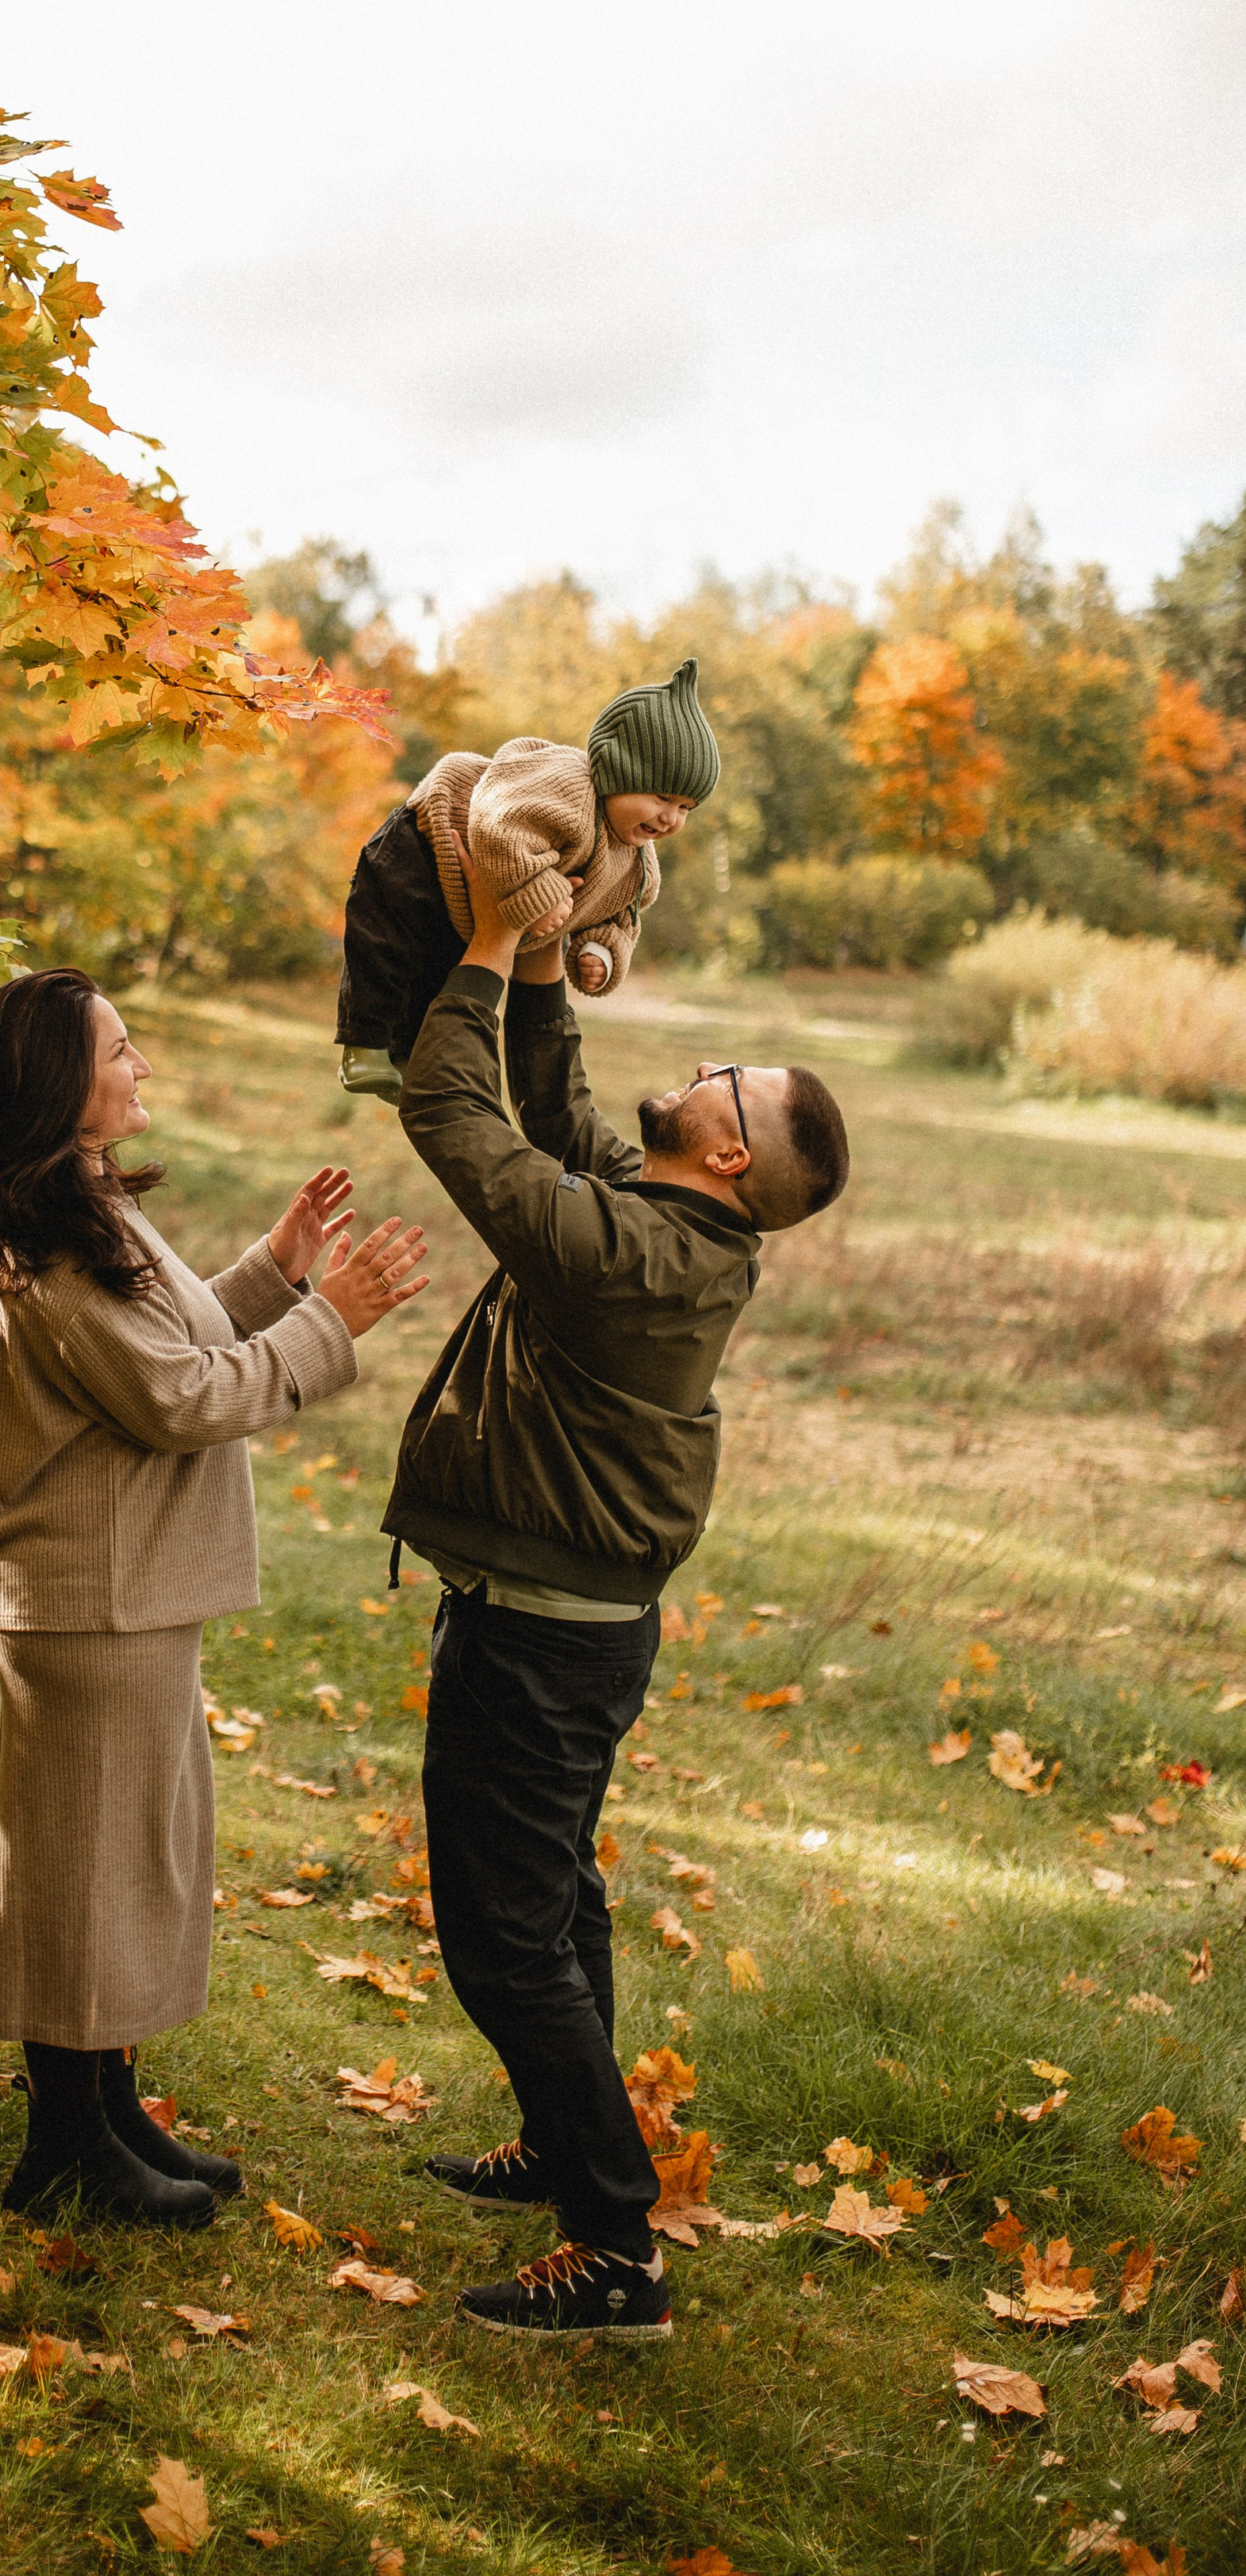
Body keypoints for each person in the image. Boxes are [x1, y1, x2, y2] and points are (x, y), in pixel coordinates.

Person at [381, 846, 848, 2338]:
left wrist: (474, 947)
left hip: (542, 1643)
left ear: (730, 1160)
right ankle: (561, 2147)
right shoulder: (668, 1220)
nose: (704, 1072)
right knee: (557, 1899)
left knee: (502, 1933)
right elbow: (555, 1113)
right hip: (562, 1624)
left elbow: (454, 1115)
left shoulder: (635, 1256)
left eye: (729, 1081)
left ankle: (616, 2246)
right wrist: (541, 963)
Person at [0, 966, 429, 2227]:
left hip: (124, 1593)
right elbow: (183, 1398)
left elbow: (176, 1340)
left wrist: (275, 1271)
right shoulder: (45, 1231)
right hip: (89, 1595)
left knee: (118, 1862)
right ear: (63, 1080)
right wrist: (335, 1317)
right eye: (119, 1048)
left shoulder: (74, 1200)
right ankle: (63, 2149)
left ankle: (104, 2117)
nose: (141, 1063)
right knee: (76, 1871)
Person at [334, 658, 722, 1101]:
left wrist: (602, 952)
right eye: (662, 797)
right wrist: (541, 893)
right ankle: (363, 1046)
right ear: (618, 771)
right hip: (428, 840)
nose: (671, 818)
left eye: (686, 808)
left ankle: (406, 1057)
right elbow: (499, 825)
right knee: (386, 945)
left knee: (438, 973)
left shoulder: (638, 866)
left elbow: (621, 919)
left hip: (465, 901)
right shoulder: (568, 787)